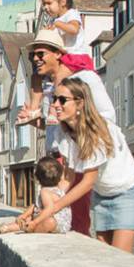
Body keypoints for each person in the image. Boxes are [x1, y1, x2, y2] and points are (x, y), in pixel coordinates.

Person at [27, 76, 134, 251]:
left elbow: (88, 182)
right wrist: (43, 203)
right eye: (54, 98)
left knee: (120, 258)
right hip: (102, 196)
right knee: (104, 254)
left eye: (62, 100)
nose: (55, 104)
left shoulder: (97, 131)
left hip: (127, 193)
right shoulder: (64, 134)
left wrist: (53, 208)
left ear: (80, 103)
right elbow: (68, 175)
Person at [16, 30, 115, 235]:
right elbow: (57, 125)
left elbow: (106, 115)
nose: (35, 59)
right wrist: (34, 122)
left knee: (76, 215)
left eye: (40, 54)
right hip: (60, 152)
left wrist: (79, 132)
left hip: (78, 152)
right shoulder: (51, 87)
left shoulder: (80, 79)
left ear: (58, 54)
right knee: (54, 207)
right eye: (33, 55)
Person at [0, 154, 70, 235]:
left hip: (56, 222)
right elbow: (35, 205)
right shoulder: (59, 188)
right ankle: (6, 228)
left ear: (38, 178)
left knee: (49, 222)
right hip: (52, 220)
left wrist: (34, 222)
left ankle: (31, 229)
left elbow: (49, 209)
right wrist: (24, 215)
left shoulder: (45, 191)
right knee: (27, 219)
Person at [37, 0, 95, 73]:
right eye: (44, 4)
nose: (45, 7)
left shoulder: (71, 14)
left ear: (63, 2)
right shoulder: (57, 21)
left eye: (49, 3)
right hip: (65, 57)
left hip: (76, 58)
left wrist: (58, 24)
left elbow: (74, 29)